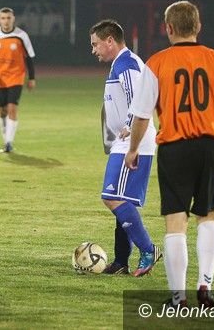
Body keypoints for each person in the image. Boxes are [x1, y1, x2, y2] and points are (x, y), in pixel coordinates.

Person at [125, 1, 214, 308]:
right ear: (198, 27)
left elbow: (141, 115)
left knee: (175, 220)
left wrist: (133, 149)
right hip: (210, 147)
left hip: (174, 147)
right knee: (208, 215)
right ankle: (205, 286)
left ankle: (178, 297)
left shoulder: (156, 63)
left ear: (168, 28)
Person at [89, 20, 161, 277]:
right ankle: (121, 260)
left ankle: (148, 249)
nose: (94, 50)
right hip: (130, 140)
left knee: (111, 196)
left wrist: (130, 128)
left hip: (133, 141)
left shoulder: (126, 63)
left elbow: (138, 98)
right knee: (124, 200)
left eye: (96, 44)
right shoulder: (121, 63)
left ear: (110, 40)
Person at [0, 7, 36, 153]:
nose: (6, 21)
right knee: (2, 111)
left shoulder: (21, 35)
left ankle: (8, 142)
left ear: (13, 19)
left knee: (12, 108)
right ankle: (5, 140)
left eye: (8, 18)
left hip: (16, 77)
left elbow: (29, 57)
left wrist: (32, 78)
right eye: (3, 18)